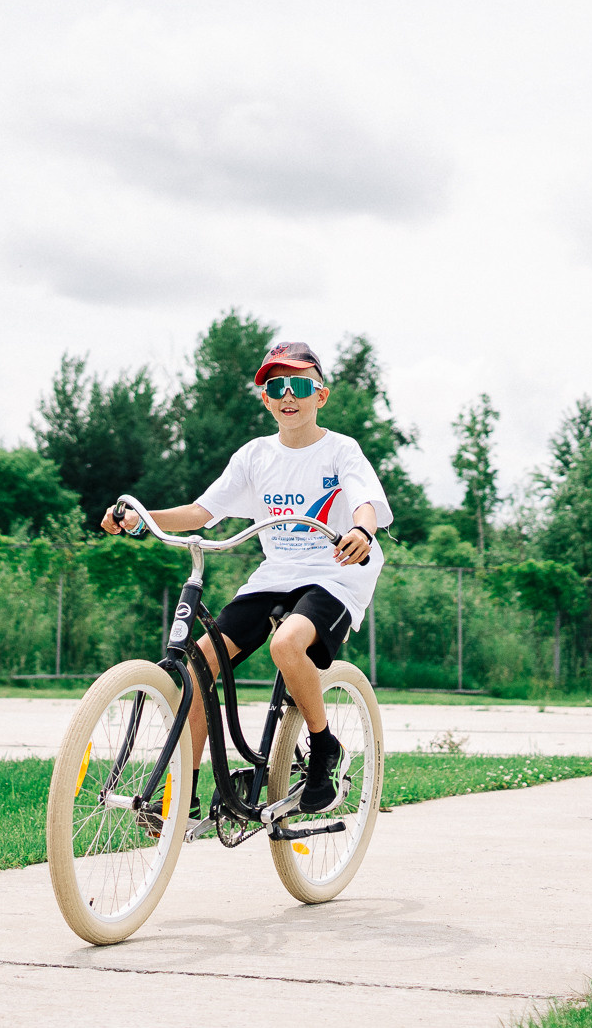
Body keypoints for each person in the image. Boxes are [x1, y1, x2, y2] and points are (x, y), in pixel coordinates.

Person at [99, 341, 391, 815]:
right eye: (276, 386)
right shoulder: (255, 455)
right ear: (266, 400)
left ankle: (323, 748)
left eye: (299, 384)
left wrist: (362, 527)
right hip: (275, 574)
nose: (287, 395)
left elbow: (364, 500)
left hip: (334, 573)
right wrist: (141, 516)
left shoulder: (341, 450)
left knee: (286, 645)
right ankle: (182, 795)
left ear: (321, 395)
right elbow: (201, 511)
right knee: (198, 665)